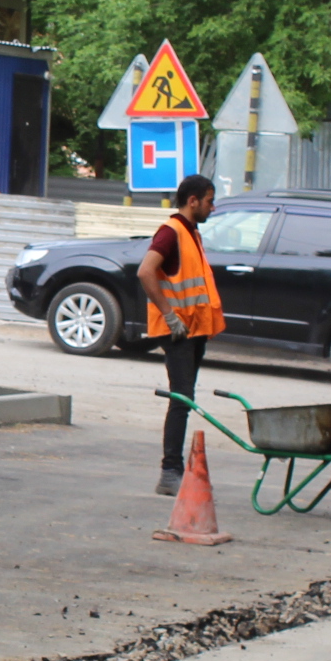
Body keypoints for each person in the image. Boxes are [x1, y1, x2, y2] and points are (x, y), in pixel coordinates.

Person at [137, 174, 222, 496]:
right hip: (179, 332)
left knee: (184, 398)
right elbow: (145, 271)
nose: (212, 207)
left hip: (192, 330)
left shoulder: (191, 233)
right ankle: (170, 472)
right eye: (209, 201)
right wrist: (170, 316)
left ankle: (174, 471)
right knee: (181, 399)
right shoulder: (171, 232)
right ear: (193, 201)